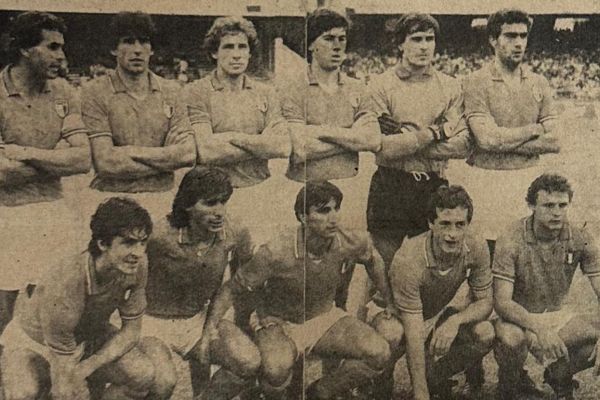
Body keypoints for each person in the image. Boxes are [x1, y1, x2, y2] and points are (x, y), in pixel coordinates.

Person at [205, 181, 393, 400]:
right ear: (303, 217)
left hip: (322, 318)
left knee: (379, 352)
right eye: (323, 211)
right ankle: (266, 394)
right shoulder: (277, 251)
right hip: (280, 322)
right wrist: (211, 326)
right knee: (275, 369)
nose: (333, 218)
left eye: (336, 208)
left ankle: (320, 393)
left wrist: (389, 300)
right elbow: (233, 287)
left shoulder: (349, 240)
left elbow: (373, 260)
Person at [0, 197, 176, 400]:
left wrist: (89, 365)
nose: (137, 252)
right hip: (37, 343)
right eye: (128, 243)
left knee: (142, 374)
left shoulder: (138, 264)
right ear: (102, 243)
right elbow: (63, 376)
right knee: (25, 394)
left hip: (88, 337)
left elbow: (131, 331)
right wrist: (71, 380)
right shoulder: (69, 279)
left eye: (142, 242)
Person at [0, 11, 91, 338]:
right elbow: (2, 175)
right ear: (25, 49)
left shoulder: (64, 92)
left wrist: (25, 152)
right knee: (4, 311)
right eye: (52, 47)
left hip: (54, 211)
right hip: (6, 213)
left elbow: (82, 159)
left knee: (51, 309)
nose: (61, 56)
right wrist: (55, 158)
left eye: (61, 47)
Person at [365, 13, 471, 269]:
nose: (424, 46)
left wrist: (406, 139)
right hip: (391, 183)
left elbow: (463, 145)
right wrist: (435, 132)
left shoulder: (450, 86)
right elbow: (384, 149)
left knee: (427, 264)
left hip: (433, 185)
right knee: (382, 264)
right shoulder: (380, 85)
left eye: (429, 39)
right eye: (416, 39)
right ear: (401, 44)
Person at [143, 166, 260, 399]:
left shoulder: (235, 232)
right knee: (163, 382)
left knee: (248, 361)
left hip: (198, 318)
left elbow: (242, 280)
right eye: (210, 203)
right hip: (152, 322)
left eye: (223, 202)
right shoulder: (158, 235)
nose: (219, 212)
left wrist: (212, 328)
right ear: (187, 204)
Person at [493, 174, 600, 400]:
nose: (557, 212)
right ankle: (511, 383)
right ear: (532, 205)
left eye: (562, 205)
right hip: (517, 319)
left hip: (556, 316)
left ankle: (559, 376)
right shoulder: (511, 238)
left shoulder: (579, 235)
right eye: (548, 205)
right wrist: (540, 330)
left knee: (595, 335)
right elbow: (502, 302)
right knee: (512, 339)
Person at [183, 16, 290, 239]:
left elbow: (282, 146)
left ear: (250, 53)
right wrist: (260, 144)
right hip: (213, 198)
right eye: (228, 47)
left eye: (242, 47)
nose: (236, 54)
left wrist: (230, 138)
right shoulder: (196, 92)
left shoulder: (267, 93)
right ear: (214, 52)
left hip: (259, 192)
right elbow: (207, 151)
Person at [81, 12, 196, 218]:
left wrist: (127, 153)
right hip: (111, 199)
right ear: (113, 48)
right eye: (128, 41)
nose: (137, 49)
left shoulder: (172, 91)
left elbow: (187, 154)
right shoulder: (94, 92)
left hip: (162, 197)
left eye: (143, 41)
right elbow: (105, 163)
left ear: (151, 49)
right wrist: (166, 156)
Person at [385, 185, 494, 400]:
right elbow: (413, 329)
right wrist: (421, 395)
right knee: (391, 334)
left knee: (485, 332)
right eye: (445, 224)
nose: (452, 234)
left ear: (468, 224)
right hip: (396, 315)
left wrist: (455, 321)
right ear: (431, 223)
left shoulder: (476, 245)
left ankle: (436, 377)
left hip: (435, 312)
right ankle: (380, 381)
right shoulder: (409, 258)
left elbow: (485, 302)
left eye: (460, 224)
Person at [461, 9, 561, 241]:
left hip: (530, 179)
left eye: (523, 36)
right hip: (488, 179)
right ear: (493, 39)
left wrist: (502, 141)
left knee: (528, 251)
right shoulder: (476, 81)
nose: (518, 43)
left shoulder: (539, 82)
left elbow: (555, 141)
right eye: (510, 36)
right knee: (490, 250)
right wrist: (533, 130)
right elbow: (486, 140)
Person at [280, 9, 380, 207]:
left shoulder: (358, 88)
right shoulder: (291, 89)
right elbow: (300, 149)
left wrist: (319, 131)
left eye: (342, 39)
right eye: (328, 39)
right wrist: (351, 139)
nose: (337, 46)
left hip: (350, 187)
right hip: (304, 190)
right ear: (311, 44)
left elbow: (373, 141)